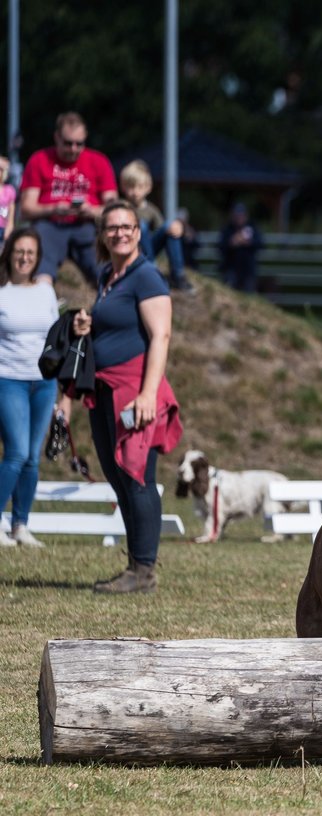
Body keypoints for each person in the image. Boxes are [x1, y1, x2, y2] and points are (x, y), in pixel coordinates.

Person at [58, 200, 183, 593]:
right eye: (111, 228)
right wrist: (86, 322)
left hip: (134, 390)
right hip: (104, 388)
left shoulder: (147, 276)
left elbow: (161, 335)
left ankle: (144, 571)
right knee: (117, 476)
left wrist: (148, 394)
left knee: (137, 477)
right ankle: (134, 565)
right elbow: (117, 323)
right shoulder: (108, 274)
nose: (119, 233)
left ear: (138, 231)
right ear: (103, 234)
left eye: (126, 226)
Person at [0, 229, 59, 547]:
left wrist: (62, 390)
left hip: (44, 383)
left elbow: (54, 342)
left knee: (32, 458)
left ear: (37, 259)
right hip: (8, 380)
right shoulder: (2, 291)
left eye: (31, 253)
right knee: (16, 453)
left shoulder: (46, 291)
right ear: (10, 253)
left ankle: (20, 524)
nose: (24, 257)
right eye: (19, 251)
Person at [18, 112, 119, 284]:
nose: (73, 149)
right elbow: (26, 208)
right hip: (49, 225)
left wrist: (92, 210)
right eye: (68, 143)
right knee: (41, 267)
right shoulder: (39, 160)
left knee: (109, 274)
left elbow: (114, 209)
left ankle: (108, 304)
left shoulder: (99, 161)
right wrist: (55, 208)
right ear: (56, 137)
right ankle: (43, 300)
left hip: (88, 227)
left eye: (79, 144)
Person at [118, 160, 192, 292]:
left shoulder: (151, 210)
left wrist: (177, 227)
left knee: (170, 225)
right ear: (123, 187)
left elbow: (161, 229)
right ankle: (151, 270)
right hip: (128, 249)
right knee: (142, 226)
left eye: (139, 187)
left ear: (148, 187)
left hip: (148, 250)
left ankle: (178, 274)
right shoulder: (120, 207)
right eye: (131, 186)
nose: (135, 192)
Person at [217, 202, 264, 292]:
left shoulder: (253, 227)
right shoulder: (227, 229)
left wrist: (249, 243)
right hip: (231, 268)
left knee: (249, 296)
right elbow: (220, 247)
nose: (239, 218)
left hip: (248, 269)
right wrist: (232, 243)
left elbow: (260, 244)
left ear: (246, 215)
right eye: (237, 216)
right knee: (229, 294)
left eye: (241, 215)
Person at [0, 156, 17, 242]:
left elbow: (11, 211)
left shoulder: (9, 190)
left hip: (3, 228)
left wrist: (10, 226)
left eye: (1, 170)